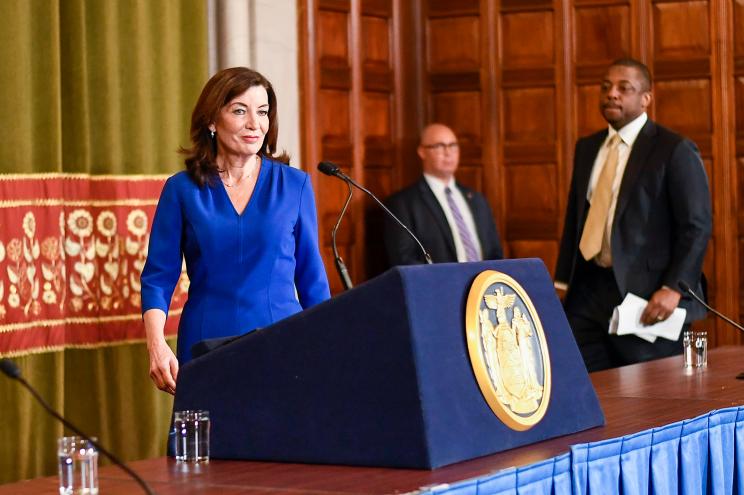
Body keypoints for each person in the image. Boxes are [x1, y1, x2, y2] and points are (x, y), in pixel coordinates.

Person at [141, 67, 331, 394]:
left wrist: (329, 348)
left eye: (263, 112)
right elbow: (158, 277)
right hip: (206, 343)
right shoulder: (181, 190)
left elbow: (313, 280)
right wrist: (156, 344)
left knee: (282, 442)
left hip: (283, 341)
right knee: (210, 443)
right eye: (240, 111)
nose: (254, 124)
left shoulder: (294, 185)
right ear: (212, 121)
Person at [554, 58, 712, 372]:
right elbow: (576, 219)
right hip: (587, 292)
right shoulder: (587, 147)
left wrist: (673, 288)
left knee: (649, 396)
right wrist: (561, 282)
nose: (612, 94)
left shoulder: (673, 149)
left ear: (645, 99)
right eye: (605, 87)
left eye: (624, 88)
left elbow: (696, 225)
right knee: (586, 388)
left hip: (647, 297)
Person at [384, 123, 503, 265]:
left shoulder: (477, 199)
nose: (448, 153)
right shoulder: (403, 203)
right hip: (439, 284)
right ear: (422, 152)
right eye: (440, 146)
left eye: (453, 145)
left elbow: (495, 252)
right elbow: (404, 259)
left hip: (483, 284)